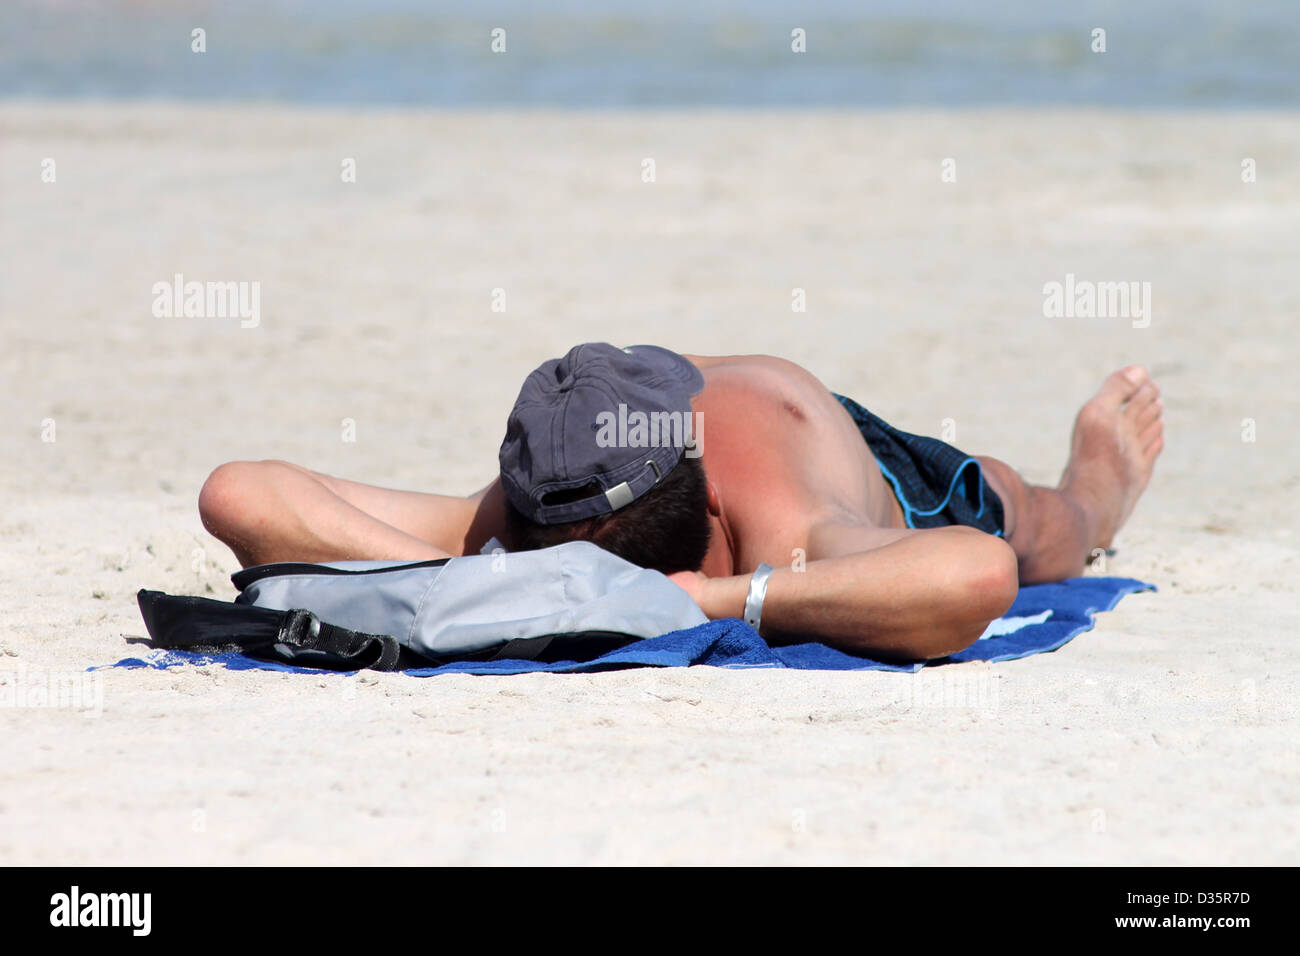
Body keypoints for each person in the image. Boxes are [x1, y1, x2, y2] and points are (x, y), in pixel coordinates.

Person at [198, 344, 1163, 661]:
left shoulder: (784, 524)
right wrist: (465, 582)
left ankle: (1094, 489)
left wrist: (717, 599)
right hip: (629, 417)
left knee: (1033, 529)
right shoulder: (527, 512)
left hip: (821, 443)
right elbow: (239, 490)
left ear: (706, 521)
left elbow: (977, 575)